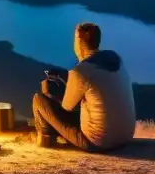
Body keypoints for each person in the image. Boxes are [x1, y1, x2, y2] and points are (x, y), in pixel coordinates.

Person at [31, 22, 136, 152]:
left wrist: (51, 94)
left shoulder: (81, 71)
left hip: (97, 141)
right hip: (125, 136)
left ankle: (45, 140)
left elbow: (67, 107)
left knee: (39, 99)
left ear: (79, 42)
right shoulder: (115, 59)